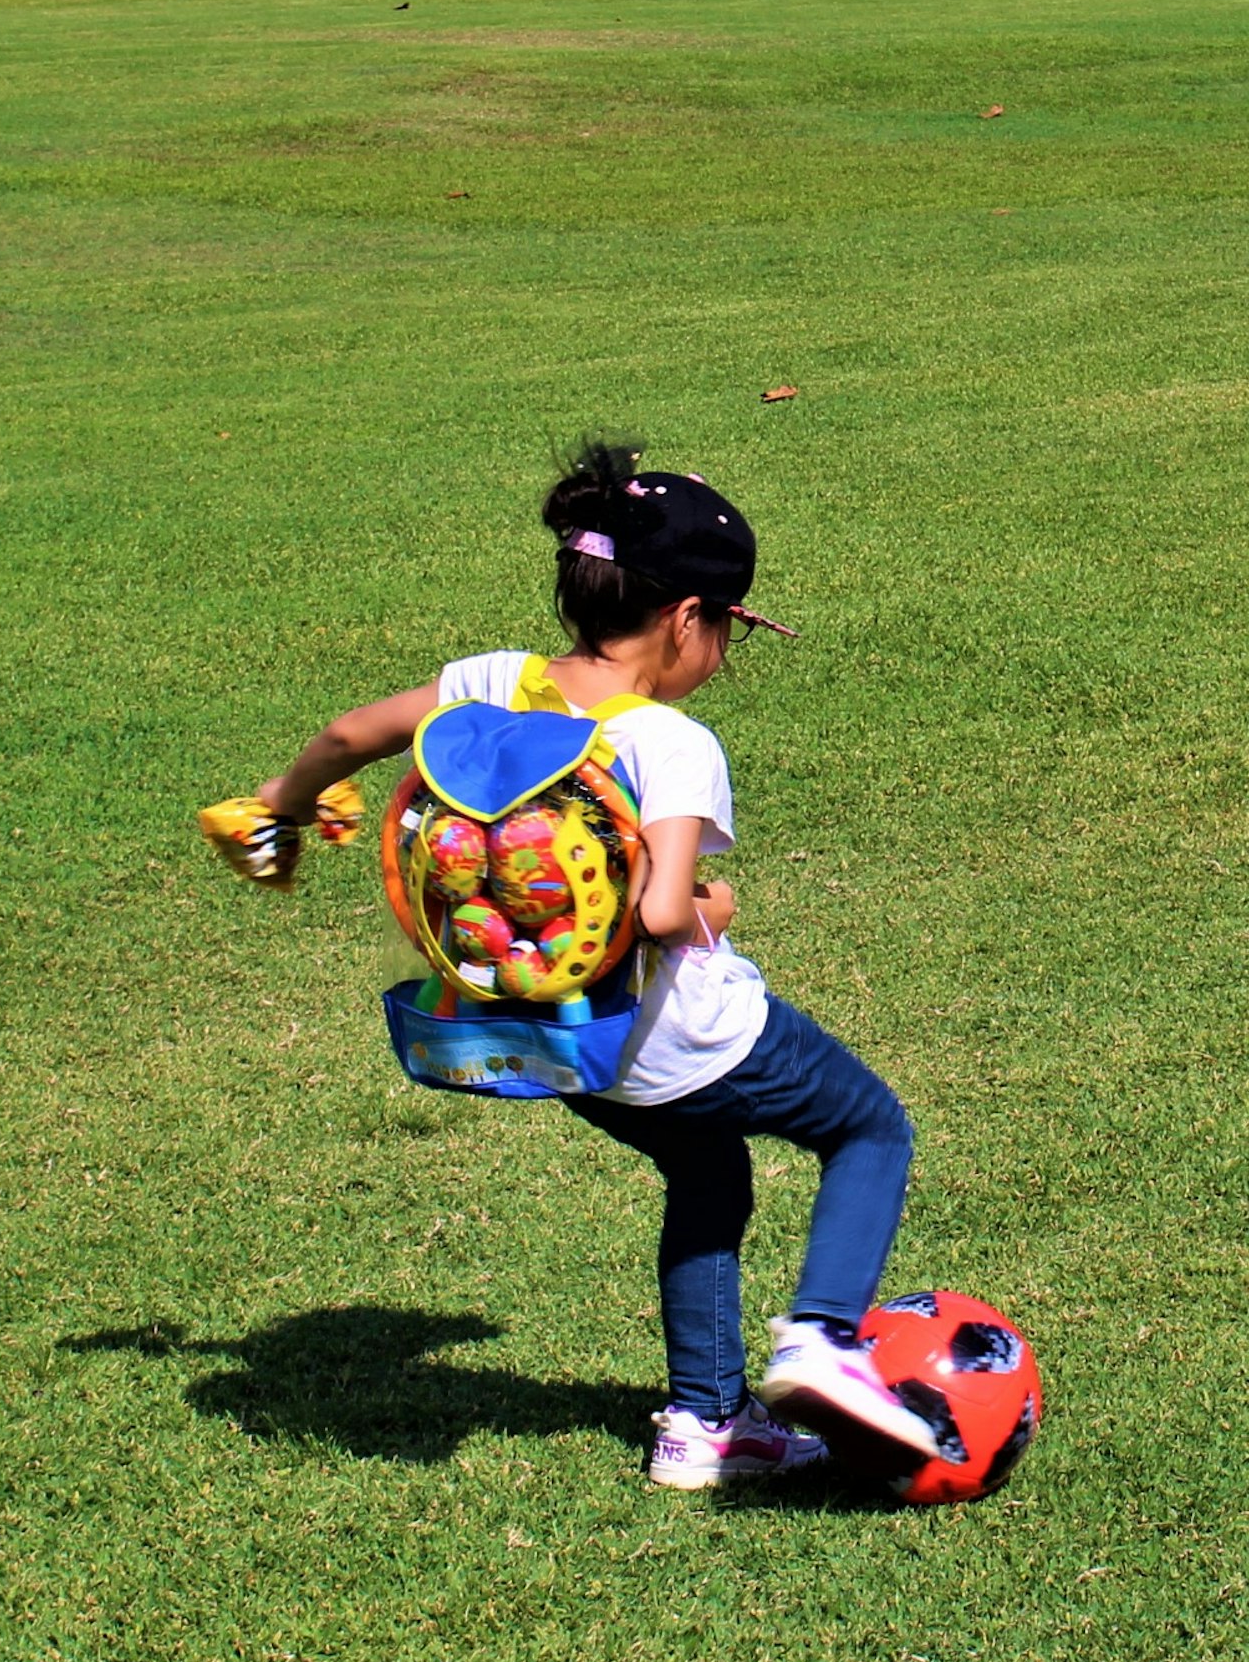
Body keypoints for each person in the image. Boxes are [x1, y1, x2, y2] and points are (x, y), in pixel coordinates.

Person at [238, 448, 943, 1487]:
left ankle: (707, 1424)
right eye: (733, 629)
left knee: (708, 1170)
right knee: (869, 1124)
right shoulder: (670, 739)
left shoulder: (489, 680)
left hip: (554, 1042)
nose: (725, 653)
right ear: (685, 615)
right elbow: (662, 911)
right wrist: (717, 898)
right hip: (685, 1034)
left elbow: (352, 731)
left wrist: (278, 803)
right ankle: (824, 1339)